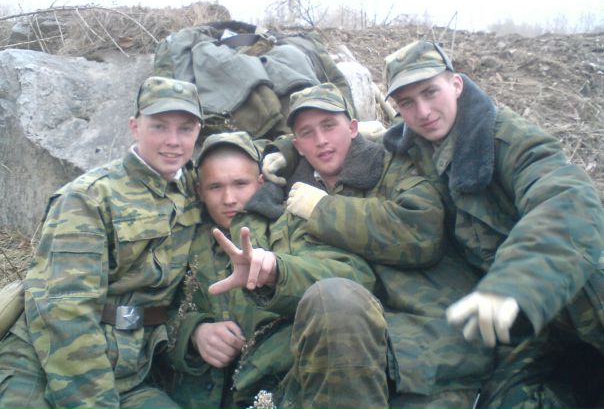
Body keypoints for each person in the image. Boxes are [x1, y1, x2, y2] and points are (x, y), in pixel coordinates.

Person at [381, 40, 604, 407]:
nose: (423, 111)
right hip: (518, 323)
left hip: (577, 290)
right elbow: (350, 143)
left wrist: (514, 284)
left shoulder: (508, 138)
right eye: (407, 102)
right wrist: (287, 152)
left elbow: (566, 200)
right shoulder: (412, 149)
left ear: (456, 85)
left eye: (430, 92)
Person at [263, 83, 500, 408]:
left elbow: (421, 231)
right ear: (298, 147)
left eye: (329, 126)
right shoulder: (293, 209)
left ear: (353, 128)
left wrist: (323, 209)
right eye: (307, 133)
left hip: (430, 354)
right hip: (347, 355)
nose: (321, 140)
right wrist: (273, 273)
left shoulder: (394, 165)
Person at [0, 76, 203, 408]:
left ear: (198, 132)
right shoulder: (89, 197)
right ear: (135, 127)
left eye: (185, 129)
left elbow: (247, 160)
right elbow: (66, 309)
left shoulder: (196, 190)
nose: (173, 141)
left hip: (129, 370)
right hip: (48, 363)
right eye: (159, 126)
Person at [160, 131, 385, 409]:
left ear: (260, 182)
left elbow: (353, 279)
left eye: (240, 184)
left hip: (292, 387)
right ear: (200, 192)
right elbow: (156, 313)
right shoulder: (182, 243)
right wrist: (194, 333)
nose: (229, 198)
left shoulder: (291, 223)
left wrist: (279, 272)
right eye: (215, 187)